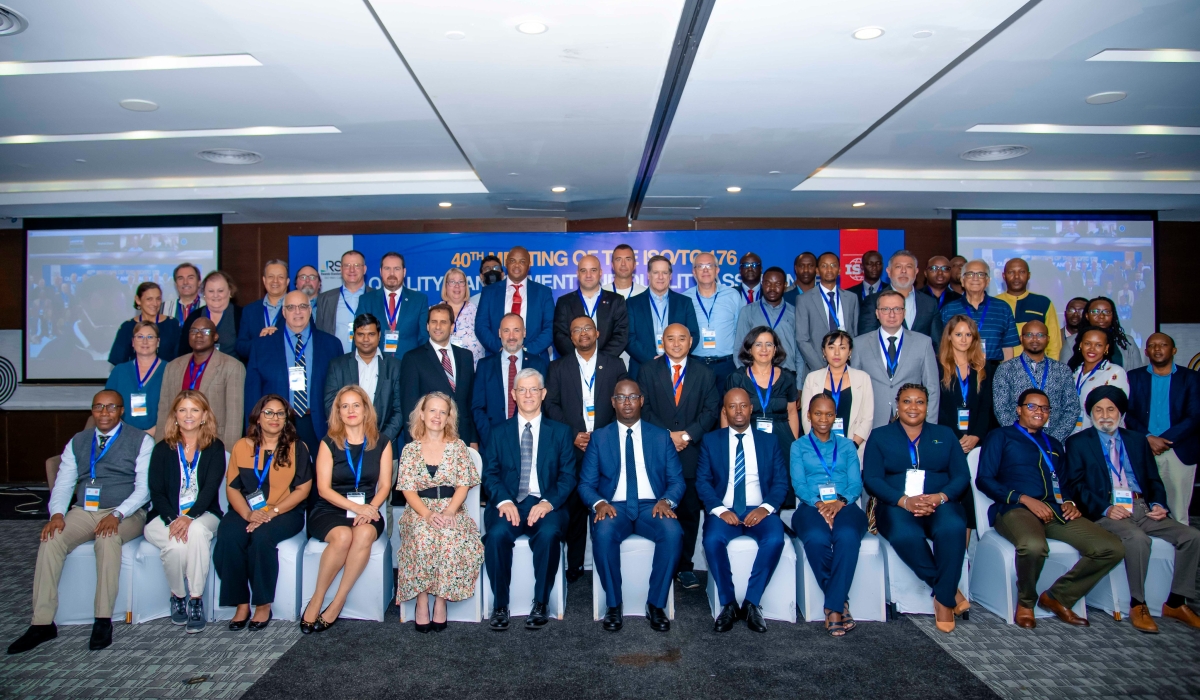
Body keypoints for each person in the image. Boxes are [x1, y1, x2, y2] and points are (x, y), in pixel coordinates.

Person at [7, 390, 154, 654]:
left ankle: (102, 619)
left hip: (128, 512)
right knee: (51, 539)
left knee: (108, 539)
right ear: (92, 411)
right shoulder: (78, 440)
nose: (104, 412)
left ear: (122, 411)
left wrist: (117, 514)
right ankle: (42, 623)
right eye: (99, 407)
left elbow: (144, 489)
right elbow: (64, 483)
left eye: (111, 407)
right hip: (84, 510)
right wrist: (56, 515)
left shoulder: (140, 440)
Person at [976, 388, 1125, 628]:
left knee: (1110, 547)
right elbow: (984, 479)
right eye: (1032, 406)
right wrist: (1024, 499)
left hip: (1055, 511)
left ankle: (1058, 597)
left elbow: (1063, 483)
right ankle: (1026, 602)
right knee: (1033, 546)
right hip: (1015, 509)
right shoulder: (1000, 436)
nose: (1039, 412)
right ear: (1019, 409)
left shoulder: (1054, 443)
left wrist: (1070, 503)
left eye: (1044, 408)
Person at [1064, 386, 1200, 632]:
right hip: (1107, 510)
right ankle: (1138, 604)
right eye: (1098, 409)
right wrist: (1106, 508)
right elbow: (1075, 485)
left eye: (1111, 409)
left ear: (1121, 412)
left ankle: (1177, 602)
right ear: (1090, 413)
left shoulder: (1137, 440)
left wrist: (1159, 504)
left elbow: (1153, 480)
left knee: (1192, 536)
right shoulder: (1078, 443)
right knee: (1138, 539)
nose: (1105, 415)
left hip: (1142, 507)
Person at [579, 378, 684, 632]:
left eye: (633, 397)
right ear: (613, 402)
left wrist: (666, 500)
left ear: (641, 401)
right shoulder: (599, 438)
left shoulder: (660, 437)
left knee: (673, 533)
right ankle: (614, 605)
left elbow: (677, 481)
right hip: (615, 507)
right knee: (603, 533)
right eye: (621, 398)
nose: (627, 403)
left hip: (652, 505)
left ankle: (656, 605)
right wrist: (599, 503)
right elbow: (585, 484)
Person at [864, 384, 971, 632]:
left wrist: (940, 497)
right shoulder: (880, 436)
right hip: (896, 504)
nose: (913, 407)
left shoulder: (945, 435)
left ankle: (942, 600)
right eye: (907, 401)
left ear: (927, 405)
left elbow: (961, 476)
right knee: (905, 534)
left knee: (953, 527)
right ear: (897, 404)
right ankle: (947, 592)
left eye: (920, 402)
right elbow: (872, 479)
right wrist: (904, 500)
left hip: (940, 502)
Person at [482, 369, 576, 630]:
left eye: (534, 389)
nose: (528, 395)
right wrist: (503, 501)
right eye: (522, 389)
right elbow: (489, 474)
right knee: (497, 536)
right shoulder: (498, 432)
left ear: (543, 394)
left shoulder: (560, 432)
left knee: (547, 535)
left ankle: (541, 602)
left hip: (545, 503)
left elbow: (568, 476)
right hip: (508, 503)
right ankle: (500, 605)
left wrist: (548, 502)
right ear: (513, 394)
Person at [214, 395, 312, 631]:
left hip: (285, 511)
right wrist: (249, 515)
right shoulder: (242, 446)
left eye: (280, 413)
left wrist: (273, 512)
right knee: (228, 536)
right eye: (268, 412)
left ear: (287, 419)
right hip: (246, 510)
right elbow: (232, 487)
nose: (274, 418)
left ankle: (262, 603)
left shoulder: (297, 447)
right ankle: (240, 603)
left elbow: (302, 489)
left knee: (261, 538)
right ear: (258, 417)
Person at [301, 385, 394, 633]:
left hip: (369, 508)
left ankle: (338, 600)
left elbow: (385, 485)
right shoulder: (328, 443)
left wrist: (371, 508)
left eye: (356, 405)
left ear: (366, 410)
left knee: (363, 534)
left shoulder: (383, 442)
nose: (351, 410)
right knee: (342, 536)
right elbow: (323, 489)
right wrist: (357, 508)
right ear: (338, 413)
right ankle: (317, 598)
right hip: (330, 508)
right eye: (345, 406)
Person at [546, 315, 628, 580]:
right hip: (572, 445)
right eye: (576, 329)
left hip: (605, 445)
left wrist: (603, 437)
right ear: (570, 337)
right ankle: (575, 564)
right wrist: (573, 435)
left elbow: (624, 403)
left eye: (587, 328)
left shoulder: (615, 365)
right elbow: (551, 405)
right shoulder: (558, 367)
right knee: (573, 506)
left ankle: (607, 562)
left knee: (605, 501)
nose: (582, 333)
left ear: (597, 333)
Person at [639, 323, 721, 590]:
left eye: (681, 339)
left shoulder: (705, 373)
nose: (676, 344)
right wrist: (667, 436)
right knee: (655, 509)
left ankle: (685, 566)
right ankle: (660, 564)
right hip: (656, 452)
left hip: (691, 452)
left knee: (687, 511)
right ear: (662, 342)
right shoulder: (647, 370)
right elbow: (643, 408)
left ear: (691, 341)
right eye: (670, 339)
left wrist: (687, 435)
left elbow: (711, 411)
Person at [698, 388, 788, 633]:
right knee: (712, 540)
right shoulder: (711, 440)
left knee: (775, 538)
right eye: (732, 406)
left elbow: (781, 481)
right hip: (724, 509)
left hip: (759, 509)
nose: (738, 411)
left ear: (751, 408)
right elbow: (703, 482)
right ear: (724, 411)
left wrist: (765, 508)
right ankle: (728, 603)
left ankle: (751, 603)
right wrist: (718, 509)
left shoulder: (768, 441)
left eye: (743, 405)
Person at [395, 392, 484, 632]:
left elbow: (464, 485)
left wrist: (449, 512)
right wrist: (426, 514)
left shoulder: (458, 448)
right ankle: (422, 601)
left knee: (449, 536)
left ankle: (441, 602)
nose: (437, 416)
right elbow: (408, 490)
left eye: (442, 412)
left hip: (451, 507)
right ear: (422, 415)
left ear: (448, 418)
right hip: (418, 509)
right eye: (432, 410)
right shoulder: (410, 450)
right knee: (423, 536)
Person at [143, 390, 225, 634]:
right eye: (182, 410)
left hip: (204, 514)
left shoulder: (214, 447)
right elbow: (156, 492)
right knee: (176, 546)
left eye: (195, 410)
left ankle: (196, 599)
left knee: (198, 532)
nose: (188, 415)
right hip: (163, 516)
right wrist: (172, 520)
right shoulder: (161, 449)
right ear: (175, 416)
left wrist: (189, 517)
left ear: (204, 415)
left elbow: (210, 489)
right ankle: (179, 594)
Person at [792, 393, 867, 636]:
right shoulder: (798, 446)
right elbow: (799, 484)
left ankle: (833, 608)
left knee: (846, 535)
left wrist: (839, 502)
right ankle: (840, 603)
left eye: (829, 414)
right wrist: (820, 505)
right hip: (811, 506)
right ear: (808, 416)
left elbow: (855, 483)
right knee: (816, 537)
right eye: (817, 413)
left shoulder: (846, 446)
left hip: (845, 505)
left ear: (836, 417)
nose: (823, 418)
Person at [245, 291, 343, 458]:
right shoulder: (262, 346)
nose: (297, 312)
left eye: (303, 306)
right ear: (283, 312)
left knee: (318, 480)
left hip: (319, 424)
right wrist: (253, 431)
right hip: (276, 425)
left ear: (310, 310)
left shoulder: (331, 345)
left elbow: (339, 391)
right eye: (291, 307)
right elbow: (252, 393)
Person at [1127, 333, 1200, 522]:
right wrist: (1149, 437)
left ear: (1173, 350)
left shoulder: (1191, 378)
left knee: (1178, 511)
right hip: (1144, 448)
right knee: (1145, 508)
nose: (1157, 349)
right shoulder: (1133, 377)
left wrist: (1164, 440)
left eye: (1163, 345)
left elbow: (1194, 416)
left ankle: (1180, 550)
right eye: (1152, 345)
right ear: (1146, 351)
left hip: (1178, 450)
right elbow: (1128, 414)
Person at [851, 289, 940, 429]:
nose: (891, 314)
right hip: (871, 423)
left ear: (904, 313)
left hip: (912, 420)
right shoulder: (859, 344)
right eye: (885, 309)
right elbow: (855, 388)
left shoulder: (923, 343)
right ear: (877, 313)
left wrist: (930, 425)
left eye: (897, 309)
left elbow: (932, 387)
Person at [323, 313, 405, 460]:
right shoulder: (337, 365)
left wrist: (381, 440)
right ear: (354, 336)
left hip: (384, 447)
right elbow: (331, 404)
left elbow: (399, 409)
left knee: (385, 484)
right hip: (345, 445)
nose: (366, 339)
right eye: (360, 334)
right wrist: (349, 436)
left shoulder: (395, 367)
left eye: (371, 334)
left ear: (379, 335)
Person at [159, 316, 245, 450]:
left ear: (215, 336)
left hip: (213, 442)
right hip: (177, 442)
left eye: (205, 331)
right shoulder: (173, 366)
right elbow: (164, 409)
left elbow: (234, 417)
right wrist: (160, 448)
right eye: (193, 331)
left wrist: (227, 454)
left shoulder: (232, 366)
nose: (198, 335)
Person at [399, 303, 478, 448]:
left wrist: (473, 438)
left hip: (463, 439)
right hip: (428, 441)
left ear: (452, 326)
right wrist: (413, 444)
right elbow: (409, 406)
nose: (438, 326)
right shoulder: (413, 358)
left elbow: (469, 403)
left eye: (443, 322)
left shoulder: (466, 357)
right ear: (427, 326)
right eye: (433, 322)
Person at [990, 320, 1079, 443]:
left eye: (1040, 335)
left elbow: (1072, 408)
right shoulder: (1005, 369)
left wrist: (1052, 439)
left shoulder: (1062, 370)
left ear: (1048, 339)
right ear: (1021, 338)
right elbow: (1001, 408)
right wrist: (1021, 436)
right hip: (1016, 442)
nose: (1035, 339)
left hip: (1053, 443)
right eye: (1029, 335)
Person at [471, 313, 549, 449]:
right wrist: (492, 438)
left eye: (516, 330)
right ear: (499, 333)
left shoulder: (539, 364)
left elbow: (544, 406)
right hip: (492, 443)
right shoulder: (484, 365)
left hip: (530, 441)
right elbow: (478, 408)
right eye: (506, 331)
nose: (511, 336)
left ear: (524, 333)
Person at [724, 327, 801, 463]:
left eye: (769, 344)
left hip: (782, 439)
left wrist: (793, 443)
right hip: (747, 437)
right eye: (758, 344)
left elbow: (792, 412)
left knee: (781, 482)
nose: (764, 349)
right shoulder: (737, 378)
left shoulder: (787, 377)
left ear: (775, 349)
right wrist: (727, 444)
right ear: (749, 349)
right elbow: (725, 413)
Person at [933, 260, 1019, 366]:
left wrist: (1006, 376)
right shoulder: (948, 309)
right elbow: (942, 346)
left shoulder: (1003, 308)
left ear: (988, 281)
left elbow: (1008, 348)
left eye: (980, 274)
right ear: (962, 280)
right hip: (958, 369)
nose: (975, 278)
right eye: (969, 274)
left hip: (993, 370)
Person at [625, 255, 698, 379]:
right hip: (642, 368)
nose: (660, 277)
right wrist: (653, 359)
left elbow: (693, 335)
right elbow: (629, 338)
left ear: (670, 276)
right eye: (656, 272)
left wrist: (674, 358)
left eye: (664, 273)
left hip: (677, 369)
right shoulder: (632, 303)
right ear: (648, 275)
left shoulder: (684, 302)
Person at [800, 330, 874, 449]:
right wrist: (818, 445)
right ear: (824, 351)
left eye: (842, 348)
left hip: (853, 447)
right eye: (831, 347)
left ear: (850, 351)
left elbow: (867, 418)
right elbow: (806, 417)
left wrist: (852, 446)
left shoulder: (863, 378)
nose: (837, 353)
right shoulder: (812, 378)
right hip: (819, 449)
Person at [477, 246, 555, 359]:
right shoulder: (489, 292)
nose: (517, 265)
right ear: (506, 263)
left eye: (522, 261)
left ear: (529, 265)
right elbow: (481, 325)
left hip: (535, 359)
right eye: (513, 261)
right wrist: (501, 349)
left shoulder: (543, 293)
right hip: (497, 359)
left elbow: (550, 327)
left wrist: (527, 351)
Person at [356, 252, 431, 361]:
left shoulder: (419, 300)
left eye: (396, 269)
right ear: (380, 272)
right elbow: (359, 337)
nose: (392, 273)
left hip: (409, 365)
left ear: (404, 272)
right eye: (387, 268)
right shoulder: (366, 300)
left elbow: (423, 338)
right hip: (375, 365)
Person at [937, 315, 993, 458]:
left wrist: (976, 435)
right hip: (945, 436)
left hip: (976, 440)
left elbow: (986, 407)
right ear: (949, 336)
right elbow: (937, 406)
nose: (963, 339)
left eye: (968, 335)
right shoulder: (937, 365)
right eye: (958, 334)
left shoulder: (984, 367)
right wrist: (956, 435)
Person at [553, 254, 629, 359]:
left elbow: (621, 335)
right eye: (583, 271)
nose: (588, 275)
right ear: (577, 274)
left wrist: (600, 359)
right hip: (574, 365)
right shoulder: (564, 302)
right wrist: (580, 358)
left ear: (600, 273)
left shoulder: (616, 301)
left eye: (593, 270)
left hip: (608, 363)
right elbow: (560, 336)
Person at [796, 251, 860, 373]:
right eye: (824, 266)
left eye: (833, 265)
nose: (829, 269)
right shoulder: (804, 299)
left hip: (847, 366)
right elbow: (802, 339)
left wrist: (850, 362)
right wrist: (820, 367)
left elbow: (855, 335)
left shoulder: (852, 298)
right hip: (817, 367)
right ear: (817, 271)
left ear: (840, 270)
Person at [105, 320, 166, 438]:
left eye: (150, 337)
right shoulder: (119, 371)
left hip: (160, 437)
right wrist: (125, 434)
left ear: (158, 342)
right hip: (122, 438)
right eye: (140, 337)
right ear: (133, 342)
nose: (145, 341)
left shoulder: (170, 370)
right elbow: (109, 406)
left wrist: (152, 433)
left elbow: (176, 408)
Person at [859, 250, 939, 338]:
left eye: (908, 267)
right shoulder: (872, 301)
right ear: (889, 271)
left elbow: (936, 342)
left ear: (916, 272)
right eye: (898, 267)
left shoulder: (930, 303)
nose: (903, 271)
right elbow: (866, 339)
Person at [735, 266, 799, 374]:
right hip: (756, 376)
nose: (772, 288)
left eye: (777, 284)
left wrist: (799, 384)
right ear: (762, 284)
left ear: (785, 285)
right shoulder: (747, 311)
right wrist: (745, 376)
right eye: (768, 283)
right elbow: (739, 348)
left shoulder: (795, 313)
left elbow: (799, 353)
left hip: (788, 374)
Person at [997, 258, 1063, 361]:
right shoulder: (993, 303)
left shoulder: (1043, 303)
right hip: (999, 369)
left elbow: (1054, 344)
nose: (1017, 276)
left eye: (1022, 272)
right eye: (1011, 272)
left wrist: (1050, 371)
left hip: (1037, 369)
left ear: (1029, 275)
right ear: (1004, 276)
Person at [1069, 327, 1129, 433]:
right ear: (1081, 345)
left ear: (1106, 348)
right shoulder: (1073, 372)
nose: (1092, 349)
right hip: (1072, 436)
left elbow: (1117, 411)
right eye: (1088, 343)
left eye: (1098, 345)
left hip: (1101, 437)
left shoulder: (1114, 372)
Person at [108, 282, 180, 365]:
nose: (155, 303)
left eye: (158, 299)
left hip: (167, 376)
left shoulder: (172, 324)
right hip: (135, 377)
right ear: (138, 300)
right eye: (149, 299)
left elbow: (180, 359)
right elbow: (118, 360)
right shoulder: (127, 327)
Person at [179, 271, 242, 361]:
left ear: (230, 292)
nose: (215, 295)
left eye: (220, 291)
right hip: (200, 373)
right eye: (211, 291)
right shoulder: (194, 317)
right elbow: (183, 353)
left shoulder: (242, 315)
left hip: (233, 372)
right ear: (204, 294)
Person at [315, 250, 369, 353]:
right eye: (347, 265)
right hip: (335, 359)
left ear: (364, 269)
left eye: (357, 265)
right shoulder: (325, 298)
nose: (351, 270)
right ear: (341, 269)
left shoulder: (376, 296)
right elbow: (319, 334)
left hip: (368, 360)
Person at [235, 260, 289, 361]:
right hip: (257, 372)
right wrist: (260, 341)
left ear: (287, 281)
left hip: (287, 371)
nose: (275, 281)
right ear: (264, 280)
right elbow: (240, 347)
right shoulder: (250, 311)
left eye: (280, 277)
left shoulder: (298, 308)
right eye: (270, 276)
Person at [1080, 297, 1144, 371]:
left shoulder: (1127, 341)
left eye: (1107, 312)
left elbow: (1137, 373)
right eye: (1095, 311)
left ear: (1113, 315)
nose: (1101, 316)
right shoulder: (1072, 341)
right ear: (1087, 316)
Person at [441, 267, 484, 367]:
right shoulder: (435, 311)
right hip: (441, 372)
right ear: (446, 286)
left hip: (473, 371)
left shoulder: (478, 311)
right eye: (452, 282)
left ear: (466, 286)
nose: (457, 286)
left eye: (461, 282)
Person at [1059, 297, 1089, 363]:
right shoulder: (1053, 336)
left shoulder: (1091, 339)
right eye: (1071, 310)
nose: (1075, 314)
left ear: (1087, 315)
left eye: (1081, 311)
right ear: (1065, 313)